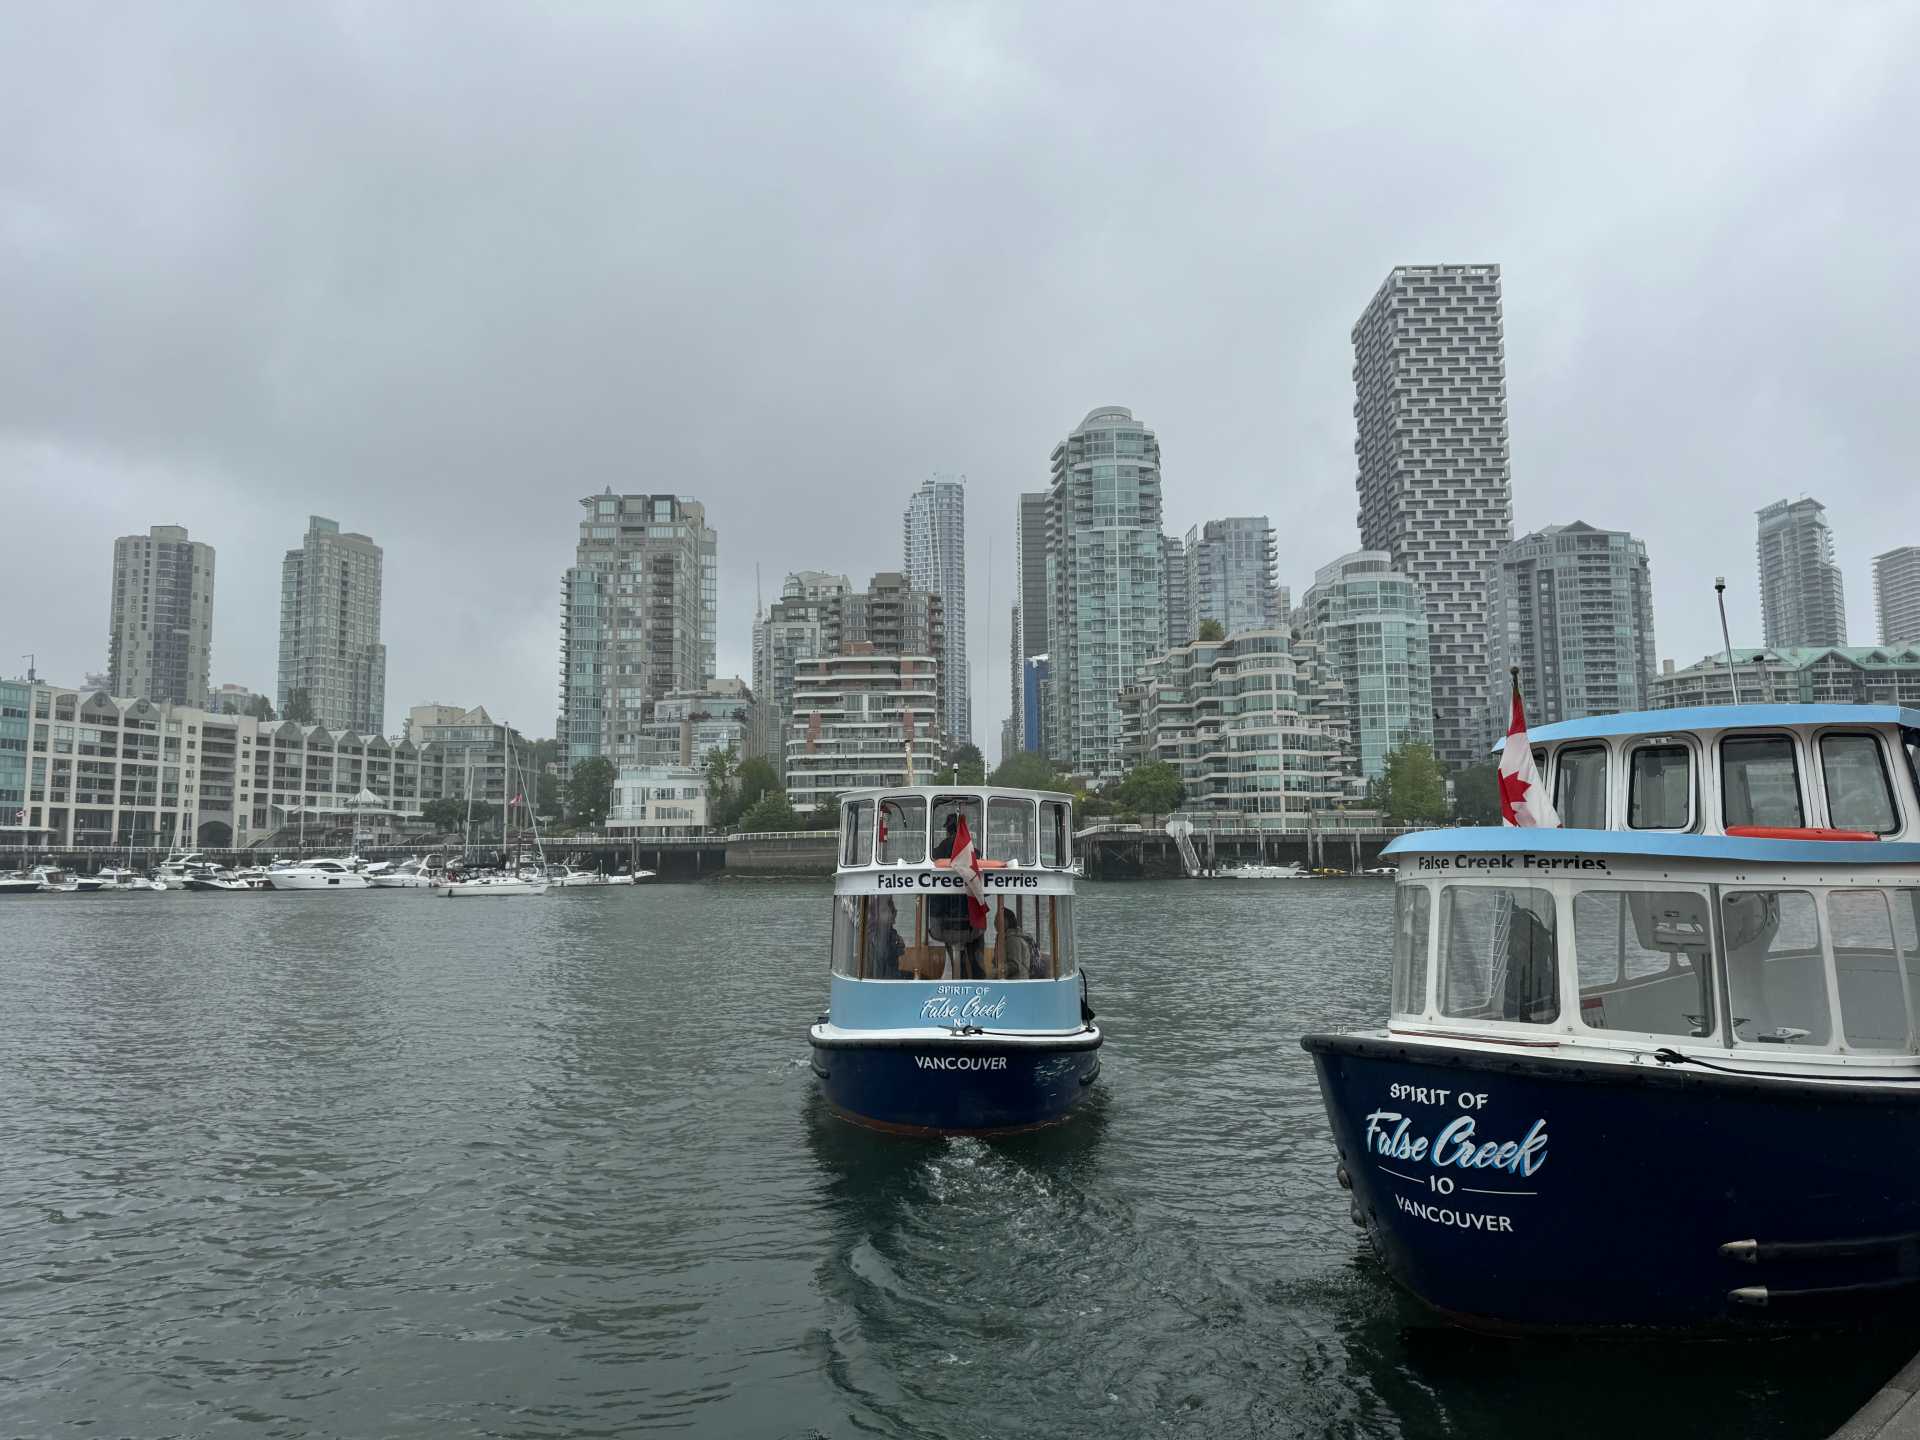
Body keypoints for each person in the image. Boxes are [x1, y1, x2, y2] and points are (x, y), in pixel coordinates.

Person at [865, 895, 908, 980]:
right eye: (884, 910)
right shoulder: (876, 934)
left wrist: (898, 943)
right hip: (882, 980)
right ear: (876, 915)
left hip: (891, 975)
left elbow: (900, 950)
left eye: (891, 909)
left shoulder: (890, 932)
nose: (891, 912)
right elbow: (885, 954)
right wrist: (896, 944)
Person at [994, 907, 1036, 980]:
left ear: (1006, 921)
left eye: (997, 919)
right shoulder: (1005, 938)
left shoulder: (1012, 940)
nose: (994, 922)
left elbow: (1015, 965)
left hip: (1016, 983)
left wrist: (997, 971)